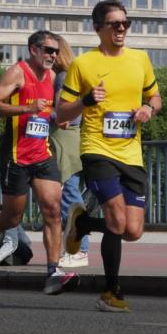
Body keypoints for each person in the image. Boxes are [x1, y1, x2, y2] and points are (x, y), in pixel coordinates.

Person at [59, 0, 163, 313]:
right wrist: (86, 101)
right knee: (116, 219)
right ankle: (110, 291)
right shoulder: (83, 65)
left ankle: (83, 223)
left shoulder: (140, 59)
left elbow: (155, 97)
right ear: (97, 28)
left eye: (125, 23)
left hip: (131, 152)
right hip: (97, 149)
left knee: (132, 230)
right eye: (114, 24)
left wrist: (148, 109)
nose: (121, 29)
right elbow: (62, 111)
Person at [0, 30, 78, 295]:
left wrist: (60, 117)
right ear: (33, 49)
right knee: (12, 217)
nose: (53, 55)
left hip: (43, 152)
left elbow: (51, 113)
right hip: (16, 154)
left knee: (52, 209)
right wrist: (27, 109)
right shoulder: (17, 72)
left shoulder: (52, 76)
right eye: (48, 50)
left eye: (55, 51)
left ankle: (53, 270)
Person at [50, 35, 90, 268]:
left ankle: (80, 250)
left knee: (69, 198)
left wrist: (38, 112)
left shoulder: (63, 77)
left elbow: (66, 116)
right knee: (68, 197)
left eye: (51, 50)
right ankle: (75, 249)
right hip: (69, 141)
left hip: (64, 141)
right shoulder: (68, 76)